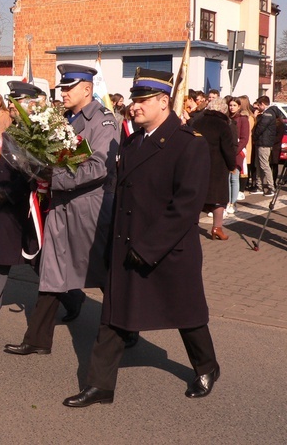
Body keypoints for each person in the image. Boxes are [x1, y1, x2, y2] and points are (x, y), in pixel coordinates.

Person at [63, 68, 219, 409]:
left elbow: (186, 207)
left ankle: (207, 367)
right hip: (127, 244)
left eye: (142, 100)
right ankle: (100, 386)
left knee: (187, 315)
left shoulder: (188, 144)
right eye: (133, 100)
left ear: (164, 102)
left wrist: (148, 248)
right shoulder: (133, 141)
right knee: (114, 315)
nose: (134, 107)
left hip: (167, 249)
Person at [4, 63, 119, 356]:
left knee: (103, 273)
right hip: (61, 205)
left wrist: (54, 178)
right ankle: (37, 340)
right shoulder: (62, 119)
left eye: (68, 88)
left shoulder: (104, 121)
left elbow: (98, 168)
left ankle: (125, 328)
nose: (63, 92)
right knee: (51, 272)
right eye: (62, 88)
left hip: (88, 209)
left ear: (86, 89)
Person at [0, 82, 83, 327]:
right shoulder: (14, 130)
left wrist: (10, 192)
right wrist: (0, 192)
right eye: (12, 101)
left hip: (32, 205)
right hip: (7, 205)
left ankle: (73, 297)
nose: (13, 107)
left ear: (32, 103)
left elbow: (39, 172)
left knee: (38, 259)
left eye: (18, 102)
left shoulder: (43, 131)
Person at [193, 97, 236, 240]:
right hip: (217, 166)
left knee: (197, 196)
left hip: (198, 164)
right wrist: (232, 165)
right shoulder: (224, 125)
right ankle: (217, 228)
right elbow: (228, 148)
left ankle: (191, 226)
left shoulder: (197, 122)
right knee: (219, 198)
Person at [227, 96, 251, 214]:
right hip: (227, 150)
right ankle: (227, 201)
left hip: (237, 152)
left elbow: (244, 138)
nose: (232, 108)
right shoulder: (226, 118)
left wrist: (236, 150)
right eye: (230, 105)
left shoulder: (243, 119)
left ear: (239, 106)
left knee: (234, 177)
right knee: (227, 178)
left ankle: (233, 202)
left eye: (234, 105)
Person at [251, 95, 278, 196]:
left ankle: (271, 187)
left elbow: (260, 128)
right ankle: (259, 186)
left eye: (259, 105)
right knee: (258, 165)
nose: (258, 108)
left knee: (264, 165)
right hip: (261, 142)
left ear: (263, 104)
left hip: (264, 143)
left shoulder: (268, 114)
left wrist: (254, 137)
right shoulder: (269, 113)